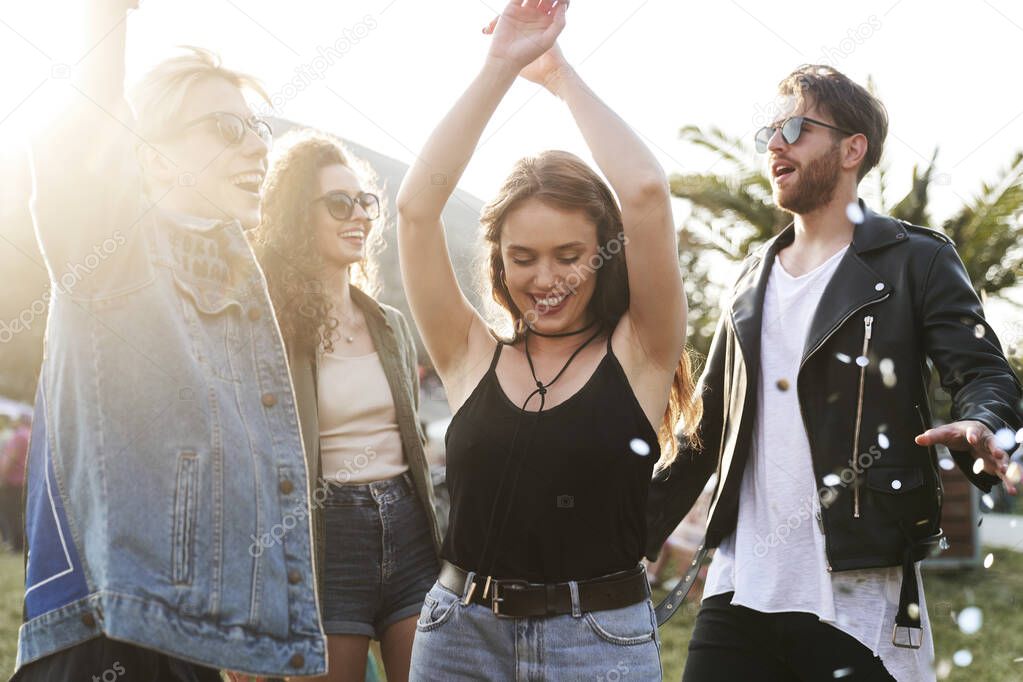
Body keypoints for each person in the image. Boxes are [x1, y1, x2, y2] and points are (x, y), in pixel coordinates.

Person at [646, 64, 1023, 681]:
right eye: (769, 129)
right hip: (739, 589)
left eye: (794, 126)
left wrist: (982, 423)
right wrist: (621, 533)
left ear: (853, 149)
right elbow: (704, 434)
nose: (774, 143)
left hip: (858, 594)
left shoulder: (915, 260)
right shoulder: (747, 281)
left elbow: (985, 373)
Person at [13, 2, 326, 679]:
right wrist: (106, 18)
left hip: (185, 644)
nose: (256, 148)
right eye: (224, 128)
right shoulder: (111, 249)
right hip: (100, 636)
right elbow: (79, 140)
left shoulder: (237, 287)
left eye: (258, 131)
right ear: (148, 156)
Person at [396, 1, 699, 678]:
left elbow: (646, 191)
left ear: (604, 253)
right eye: (522, 256)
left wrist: (559, 77)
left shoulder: (640, 351)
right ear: (498, 260)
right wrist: (499, 65)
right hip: (457, 637)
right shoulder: (469, 354)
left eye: (569, 254)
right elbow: (416, 210)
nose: (545, 278)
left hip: (595, 642)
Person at [250, 131, 441, 682]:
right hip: (324, 537)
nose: (358, 215)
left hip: (407, 529)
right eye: (339, 203)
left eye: (365, 202)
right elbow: (250, 460)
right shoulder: (270, 328)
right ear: (294, 216)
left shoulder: (391, 324)